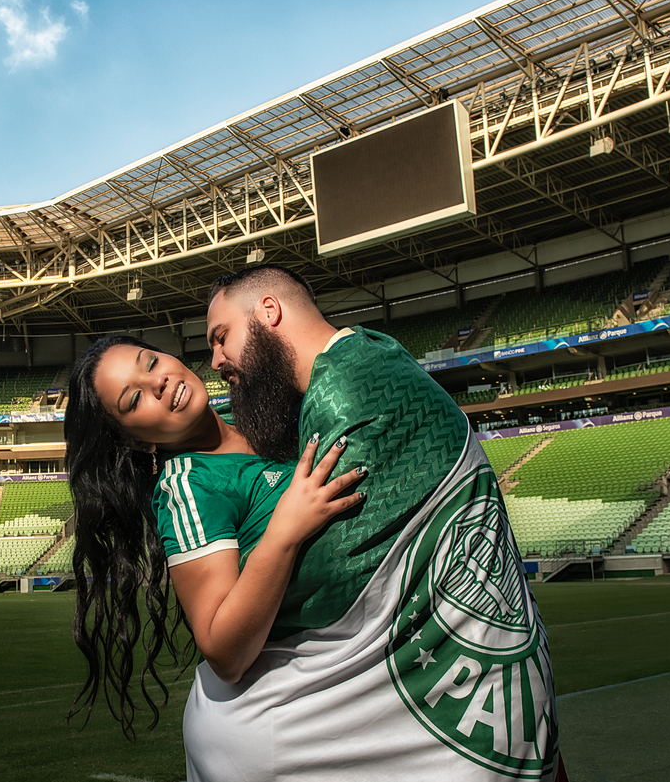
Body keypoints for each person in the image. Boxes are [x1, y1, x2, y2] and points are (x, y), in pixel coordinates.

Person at [199, 264, 563, 781]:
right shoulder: (371, 352)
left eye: (222, 337)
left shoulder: (344, 392)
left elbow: (329, 578)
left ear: (269, 312)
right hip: (502, 695)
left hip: (473, 721)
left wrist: (224, 596)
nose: (215, 361)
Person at [64, 334, 364, 742]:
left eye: (150, 362)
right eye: (134, 401)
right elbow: (224, 652)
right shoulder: (189, 486)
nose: (159, 383)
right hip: (299, 720)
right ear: (134, 440)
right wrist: (285, 532)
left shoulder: (258, 416)